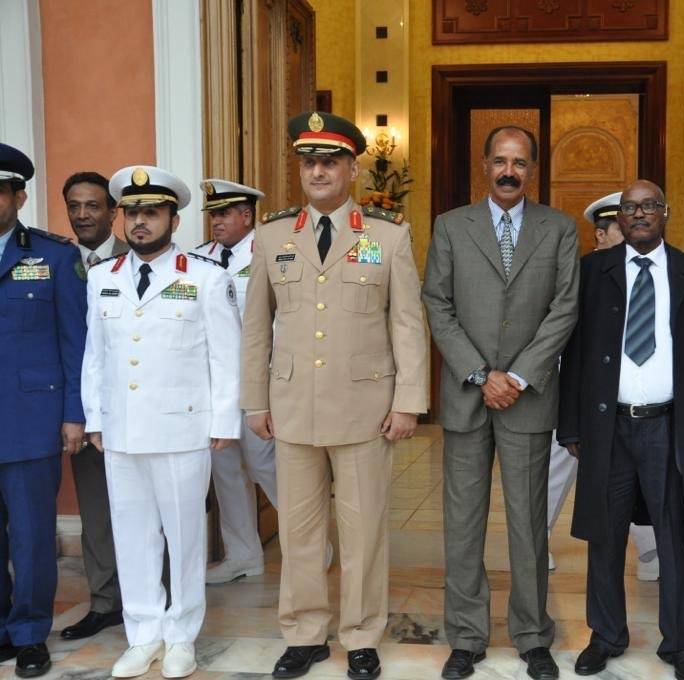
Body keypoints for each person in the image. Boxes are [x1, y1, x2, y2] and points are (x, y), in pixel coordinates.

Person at [240, 111, 428, 680]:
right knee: (298, 531)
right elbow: (255, 326)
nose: (317, 171)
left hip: (366, 409)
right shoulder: (273, 236)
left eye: (329, 161)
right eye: (308, 162)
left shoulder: (387, 235)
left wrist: (408, 401)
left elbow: (407, 324)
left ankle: (362, 634)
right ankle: (303, 633)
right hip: (293, 407)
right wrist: (254, 400)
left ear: (351, 167)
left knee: (364, 529)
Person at [422, 125, 579, 680]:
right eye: (499, 161)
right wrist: (480, 373)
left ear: (531, 170)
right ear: (484, 165)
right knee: (462, 523)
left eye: (519, 162)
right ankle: (465, 637)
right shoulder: (450, 227)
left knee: (528, 523)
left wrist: (515, 376)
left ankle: (533, 635)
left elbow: (565, 308)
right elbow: (436, 303)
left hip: (528, 398)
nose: (509, 171)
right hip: (468, 396)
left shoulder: (559, 229)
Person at [558, 179, 684, 680]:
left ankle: (681, 642)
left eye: (650, 205)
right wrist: (571, 428)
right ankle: (605, 635)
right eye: (631, 209)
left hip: (668, 426)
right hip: (609, 427)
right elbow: (574, 353)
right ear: (620, 220)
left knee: (675, 536)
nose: (640, 215)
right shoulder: (592, 272)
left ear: (666, 212)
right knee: (604, 535)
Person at [82, 165, 241, 679]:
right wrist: (94, 419)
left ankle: (181, 636)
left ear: (174, 217)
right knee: (133, 537)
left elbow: (226, 355)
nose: (140, 222)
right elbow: (96, 357)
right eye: (132, 213)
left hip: (181, 430)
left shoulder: (205, 277)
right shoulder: (102, 279)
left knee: (185, 536)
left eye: (151, 212)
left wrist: (223, 422)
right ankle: (143, 632)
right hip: (122, 430)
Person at [0, 143, 87, 678]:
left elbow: (76, 342)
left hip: (31, 420)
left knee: (32, 536)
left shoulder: (54, 257)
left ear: (18, 196)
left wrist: (74, 414)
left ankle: (30, 633)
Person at [547, 191, 661, 581]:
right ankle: (533, 542)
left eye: (609, 227)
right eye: (608, 228)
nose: (604, 236)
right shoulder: (585, 273)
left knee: (633, 475)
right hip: (582, 391)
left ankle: (651, 553)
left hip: (632, 398)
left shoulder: (656, 268)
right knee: (557, 469)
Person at [190, 179, 279, 585]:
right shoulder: (199, 260)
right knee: (225, 470)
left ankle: (308, 548)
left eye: (224, 214)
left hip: (260, 382)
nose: (216, 222)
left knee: (268, 466)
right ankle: (243, 555)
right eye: (212, 215)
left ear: (247, 216)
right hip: (213, 385)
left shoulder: (272, 254)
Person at [59, 171, 127, 642]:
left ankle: (156, 597)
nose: (83, 215)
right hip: (87, 409)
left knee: (151, 511)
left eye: (93, 206)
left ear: (112, 212)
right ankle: (105, 603)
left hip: (140, 407)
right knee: (97, 514)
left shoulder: (142, 255)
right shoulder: (58, 262)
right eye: (75, 206)